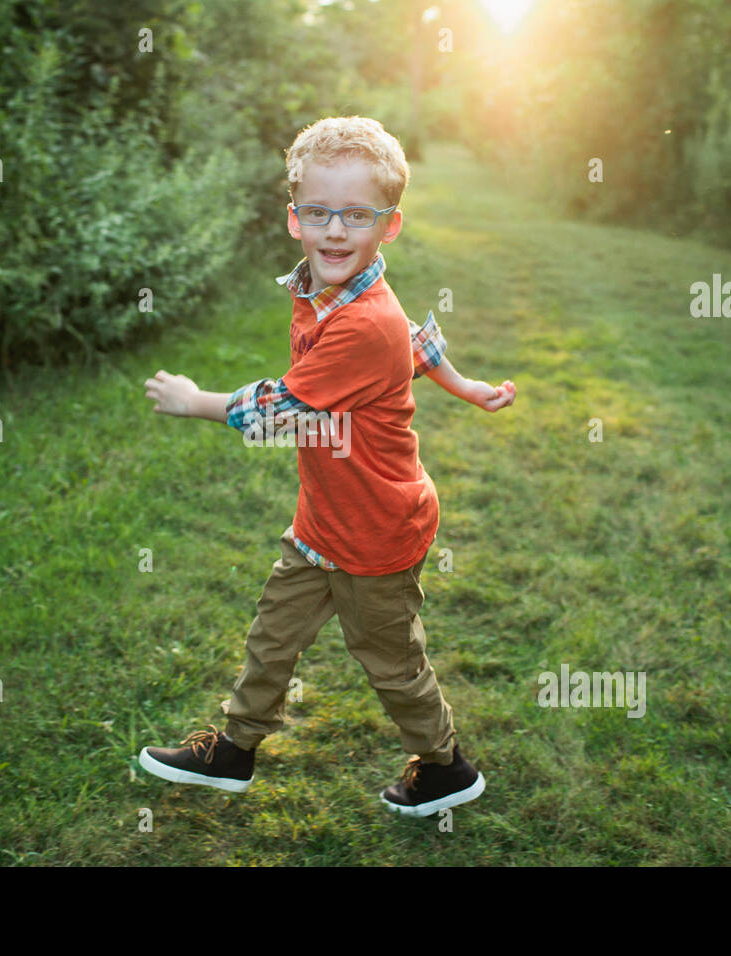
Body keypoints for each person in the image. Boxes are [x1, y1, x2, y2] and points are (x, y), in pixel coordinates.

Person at [139, 115, 515, 817]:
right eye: (319, 212)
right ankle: (234, 750)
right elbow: (413, 337)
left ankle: (445, 768)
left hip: (375, 532)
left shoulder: (360, 320)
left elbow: (280, 409)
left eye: (356, 215)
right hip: (323, 518)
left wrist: (195, 402)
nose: (335, 230)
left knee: (392, 665)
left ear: (389, 225)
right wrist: (462, 385)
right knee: (272, 634)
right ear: (294, 218)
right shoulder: (324, 285)